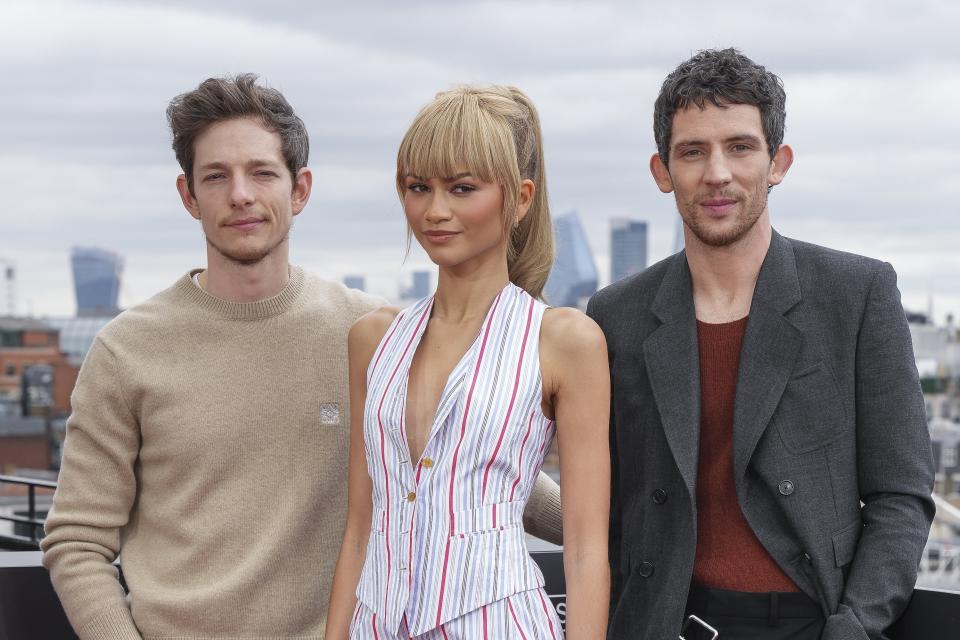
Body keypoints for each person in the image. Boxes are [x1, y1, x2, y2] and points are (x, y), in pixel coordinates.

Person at [40, 74, 562, 640]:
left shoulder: (370, 331)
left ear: (300, 190)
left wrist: (632, 523)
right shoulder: (127, 350)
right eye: (216, 176)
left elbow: (469, 462)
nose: (241, 194)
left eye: (262, 172)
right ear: (189, 196)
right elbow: (77, 541)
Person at [587, 49, 935, 640]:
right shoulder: (615, 314)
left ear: (778, 162)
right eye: (692, 151)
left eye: (740, 147)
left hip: (806, 621)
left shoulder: (856, 294)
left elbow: (901, 493)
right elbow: (607, 503)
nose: (717, 172)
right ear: (661, 171)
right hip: (658, 620)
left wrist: (853, 627)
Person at [326, 85, 610, 639]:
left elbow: (584, 550)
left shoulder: (563, 340)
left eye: (462, 188)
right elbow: (360, 528)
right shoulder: (372, 340)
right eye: (417, 188)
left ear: (521, 198)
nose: (435, 211)